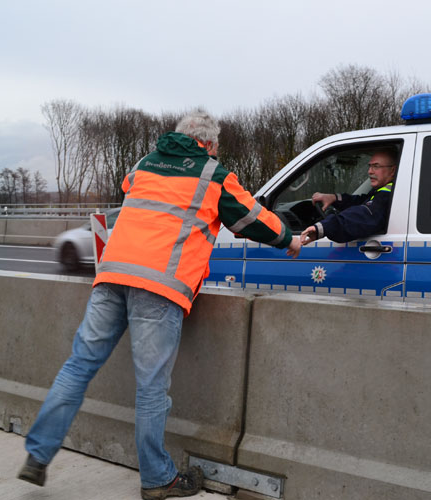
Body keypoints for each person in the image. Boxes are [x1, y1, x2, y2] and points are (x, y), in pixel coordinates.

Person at [17, 110, 301, 499]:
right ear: (211, 144)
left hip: (112, 276)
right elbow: (251, 219)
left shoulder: (144, 164)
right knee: (151, 388)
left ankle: (37, 455)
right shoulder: (214, 174)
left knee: (78, 366)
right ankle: (157, 478)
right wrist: (290, 240)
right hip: (159, 285)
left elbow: (129, 185)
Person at [300, 149, 397, 244]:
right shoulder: (385, 190)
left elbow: (364, 215)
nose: (370, 171)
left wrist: (324, 227)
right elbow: (361, 201)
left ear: (392, 170)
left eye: (376, 166)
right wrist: (334, 198)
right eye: (370, 166)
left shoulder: (388, 196)